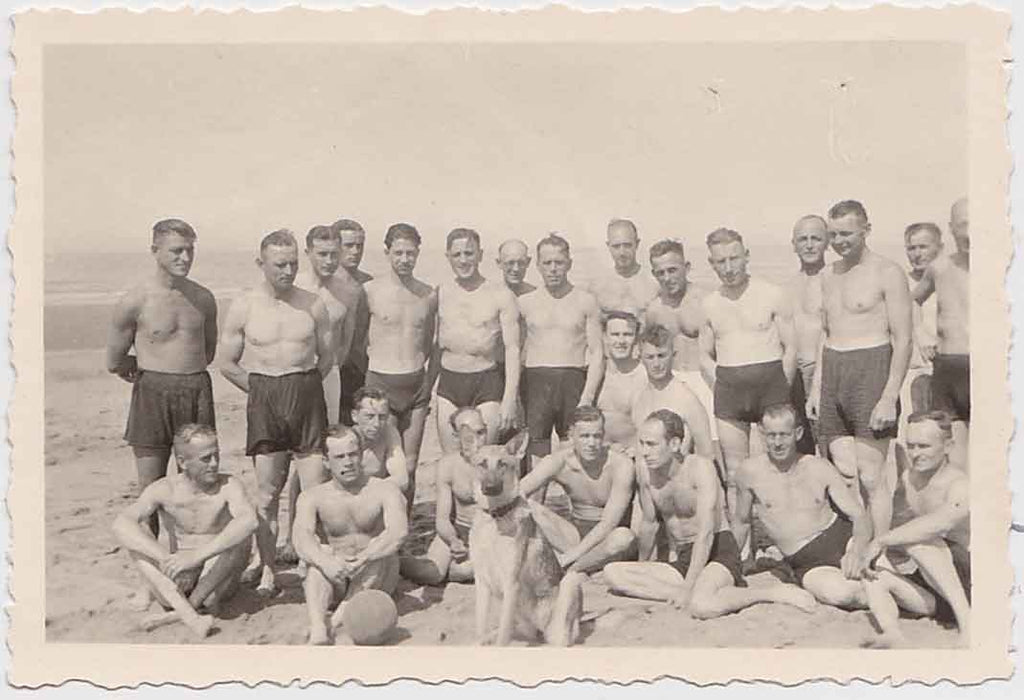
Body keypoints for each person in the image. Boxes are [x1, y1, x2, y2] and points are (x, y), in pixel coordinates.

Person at [732, 404, 936, 648]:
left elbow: (859, 516)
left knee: (926, 605)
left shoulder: (818, 467)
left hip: (842, 538)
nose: (777, 442)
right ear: (762, 434)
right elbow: (742, 522)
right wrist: (733, 564)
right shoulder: (749, 472)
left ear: (797, 434)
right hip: (806, 560)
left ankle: (902, 589)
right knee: (844, 594)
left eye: (783, 435)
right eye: (771, 435)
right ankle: (887, 585)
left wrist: (856, 549)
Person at [603, 410, 817, 618]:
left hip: (718, 550)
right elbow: (649, 525)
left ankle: (769, 593)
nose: (644, 452)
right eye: (641, 444)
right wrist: (643, 568)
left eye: (651, 444)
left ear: (675, 444)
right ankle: (691, 591)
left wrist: (688, 586)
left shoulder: (700, 468)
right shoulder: (646, 472)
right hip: (685, 556)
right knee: (613, 573)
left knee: (702, 606)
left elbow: (706, 532)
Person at [219, 229, 333, 595]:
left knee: (315, 488)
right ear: (261, 263)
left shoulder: (312, 303)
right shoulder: (245, 305)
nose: (287, 270)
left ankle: (309, 559)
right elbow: (227, 362)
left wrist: (302, 386)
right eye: (279, 264)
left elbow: (328, 356)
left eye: (293, 264)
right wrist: (261, 392)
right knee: (268, 493)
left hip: (306, 393)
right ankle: (267, 567)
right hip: (265, 395)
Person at [106, 219, 218, 544]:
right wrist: (145, 367)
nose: (185, 258)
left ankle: (190, 555)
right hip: (152, 394)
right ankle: (152, 567)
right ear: (155, 251)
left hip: (196, 389)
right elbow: (113, 359)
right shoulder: (135, 300)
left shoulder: (204, 298)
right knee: (151, 486)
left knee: (198, 481)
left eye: (189, 250)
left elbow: (206, 352)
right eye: (176, 251)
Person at [810, 200, 913, 542]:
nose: (838, 241)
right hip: (834, 371)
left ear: (866, 230)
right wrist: (815, 389)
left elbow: (903, 339)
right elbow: (826, 334)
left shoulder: (887, 272)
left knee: (872, 476)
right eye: (833, 234)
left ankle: (879, 551)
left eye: (846, 234)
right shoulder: (828, 274)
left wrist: (889, 396)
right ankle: (857, 542)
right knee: (844, 472)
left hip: (871, 368)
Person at [700, 227, 811, 513]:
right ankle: (742, 548)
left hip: (771, 387)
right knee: (736, 475)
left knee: (776, 469)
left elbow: (791, 349)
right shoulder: (710, 304)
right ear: (711, 264)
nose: (728, 267)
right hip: (730, 389)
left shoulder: (772, 294)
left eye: (734, 258)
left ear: (746, 256)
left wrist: (781, 391)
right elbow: (704, 355)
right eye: (720, 261)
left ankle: (783, 540)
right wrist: (721, 385)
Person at [112, 424, 257, 638]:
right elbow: (121, 523)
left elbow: (249, 521)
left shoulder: (229, 485)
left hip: (216, 577)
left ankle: (185, 611)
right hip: (176, 578)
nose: (214, 464)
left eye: (216, 456)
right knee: (135, 537)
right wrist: (166, 559)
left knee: (241, 537)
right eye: (206, 459)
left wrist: (196, 557)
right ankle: (190, 614)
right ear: (182, 462)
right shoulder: (164, 489)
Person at [292, 425, 408, 645]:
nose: (348, 462)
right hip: (336, 573)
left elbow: (398, 532)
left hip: (375, 575)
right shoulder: (312, 496)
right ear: (326, 462)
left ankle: (336, 619)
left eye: (353, 454)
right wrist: (326, 562)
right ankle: (318, 625)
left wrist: (364, 557)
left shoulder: (384, 490)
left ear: (362, 455)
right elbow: (301, 537)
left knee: (379, 547)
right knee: (318, 556)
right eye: (339, 457)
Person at [866, 411, 970, 641]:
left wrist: (882, 540)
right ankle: (892, 633)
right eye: (911, 446)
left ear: (948, 446)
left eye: (924, 446)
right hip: (938, 589)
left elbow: (939, 523)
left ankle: (969, 625)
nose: (915, 454)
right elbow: (902, 524)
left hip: (971, 585)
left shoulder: (960, 484)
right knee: (874, 571)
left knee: (920, 542)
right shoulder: (909, 479)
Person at [362, 223, 438, 499]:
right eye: (398, 253)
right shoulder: (370, 291)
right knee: (382, 465)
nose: (405, 260)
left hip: (415, 384)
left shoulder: (428, 294)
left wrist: (424, 378)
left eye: (411, 253)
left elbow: (428, 340)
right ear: (387, 252)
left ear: (418, 254)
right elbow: (358, 340)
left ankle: (401, 531)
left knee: (410, 463)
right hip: (381, 382)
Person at [518, 233, 605, 468]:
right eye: (547, 263)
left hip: (573, 380)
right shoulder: (525, 302)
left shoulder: (585, 301)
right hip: (536, 382)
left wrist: (587, 396)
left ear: (569, 264)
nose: (553, 268)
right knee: (538, 455)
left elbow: (597, 353)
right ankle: (536, 503)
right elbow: (515, 351)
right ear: (537, 265)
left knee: (573, 456)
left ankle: (574, 503)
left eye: (559, 262)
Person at [519, 406, 638, 573]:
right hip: (572, 536)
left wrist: (568, 557)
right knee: (529, 506)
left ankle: (567, 567)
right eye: (584, 436)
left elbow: (608, 524)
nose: (591, 443)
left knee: (624, 537)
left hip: (607, 541)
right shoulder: (559, 461)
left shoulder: (621, 465)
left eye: (597, 436)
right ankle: (581, 567)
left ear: (603, 435)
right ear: (571, 436)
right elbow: (517, 493)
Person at [435, 228, 521, 453]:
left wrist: (509, 398)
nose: (463, 260)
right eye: (457, 255)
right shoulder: (441, 293)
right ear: (448, 257)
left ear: (480, 255)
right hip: (449, 383)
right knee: (452, 459)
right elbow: (434, 345)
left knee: (484, 457)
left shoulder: (500, 294)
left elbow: (513, 349)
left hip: (486, 383)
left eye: (469, 253)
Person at [400, 406, 488, 585]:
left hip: (487, 533)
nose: (476, 440)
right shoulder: (448, 466)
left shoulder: (496, 461)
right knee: (431, 574)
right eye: (468, 433)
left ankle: (460, 569)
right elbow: (442, 519)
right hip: (459, 529)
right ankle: (395, 561)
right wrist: (454, 541)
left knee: (466, 571)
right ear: (456, 436)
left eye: (481, 432)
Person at [911, 198, 970, 463]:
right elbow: (911, 301)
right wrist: (922, 334)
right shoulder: (940, 267)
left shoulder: (1006, 262)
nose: (969, 232)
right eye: (962, 225)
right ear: (952, 228)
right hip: (947, 368)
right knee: (952, 449)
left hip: (988, 365)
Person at [642, 238, 715, 433]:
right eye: (661, 273)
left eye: (672, 270)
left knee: (711, 444)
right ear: (654, 274)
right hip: (670, 383)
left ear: (687, 267)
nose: (667, 277)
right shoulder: (654, 310)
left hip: (704, 381)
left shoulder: (706, 301)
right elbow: (649, 351)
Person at [632, 324, 715, 463]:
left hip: (679, 478)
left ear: (673, 355)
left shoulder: (686, 398)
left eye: (661, 356)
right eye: (650, 357)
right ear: (641, 359)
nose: (656, 364)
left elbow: (707, 454)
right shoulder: (637, 397)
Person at [295, 225, 353, 425]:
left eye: (334, 254)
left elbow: (346, 342)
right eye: (322, 254)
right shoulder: (293, 286)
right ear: (307, 252)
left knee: (329, 436)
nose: (329, 261)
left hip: (329, 375)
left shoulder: (346, 292)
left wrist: (331, 369)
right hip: (293, 374)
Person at [788, 215, 830, 444]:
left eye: (816, 238)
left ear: (827, 242)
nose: (810, 244)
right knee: (800, 447)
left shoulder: (833, 280)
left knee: (827, 445)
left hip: (823, 371)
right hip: (794, 374)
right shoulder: (788, 286)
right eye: (803, 239)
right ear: (793, 244)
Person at [332, 219, 374, 425]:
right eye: (349, 245)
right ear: (336, 246)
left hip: (360, 369)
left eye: (360, 245)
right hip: (330, 369)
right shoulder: (324, 284)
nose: (355, 251)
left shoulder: (368, 283)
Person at [903, 222, 943, 415]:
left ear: (939, 248)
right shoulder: (900, 283)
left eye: (923, 247)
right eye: (911, 248)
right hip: (911, 372)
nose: (917, 254)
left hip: (945, 371)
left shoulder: (951, 280)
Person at [595, 311, 648, 450]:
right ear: (605, 337)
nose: (621, 341)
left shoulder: (644, 376)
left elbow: (647, 426)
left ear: (636, 339)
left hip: (633, 453)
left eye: (627, 335)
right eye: (615, 334)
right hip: (596, 453)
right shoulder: (594, 375)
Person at [588, 218, 659, 317]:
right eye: (616, 246)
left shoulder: (654, 283)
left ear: (637, 244)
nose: (622, 253)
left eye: (627, 245)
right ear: (608, 246)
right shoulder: (597, 287)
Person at [349, 387, 410, 495]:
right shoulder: (346, 440)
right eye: (369, 416)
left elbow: (402, 479)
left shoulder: (389, 432)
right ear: (354, 416)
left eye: (382, 417)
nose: (376, 424)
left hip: (375, 494)